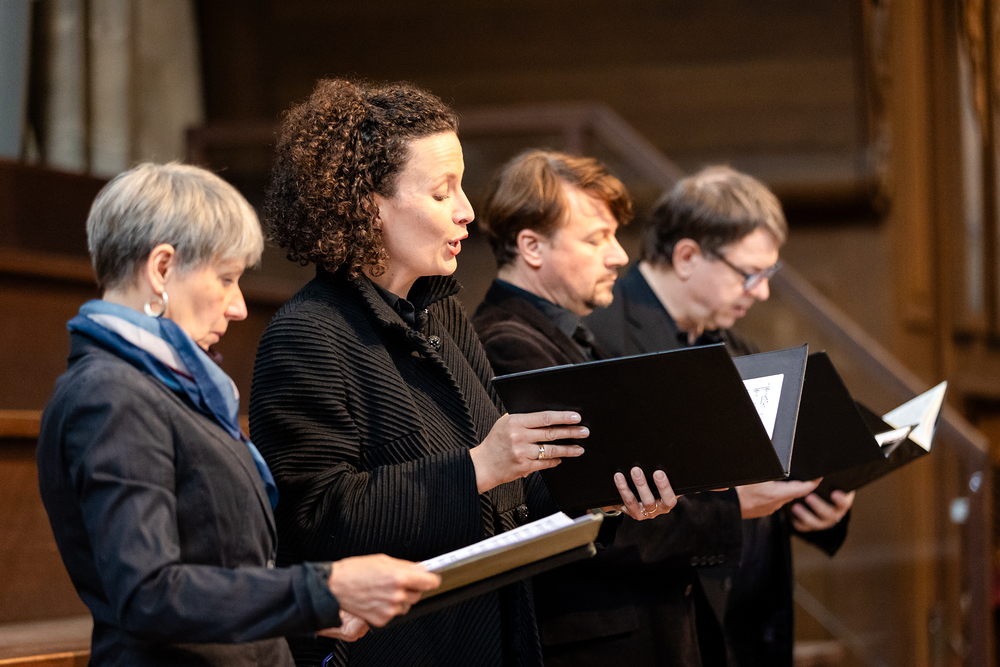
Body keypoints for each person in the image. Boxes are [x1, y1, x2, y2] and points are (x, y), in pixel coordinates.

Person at [250, 80, 672, 667]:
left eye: (462, 187)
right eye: (442, 191)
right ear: (370, 205)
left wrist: (609, 497)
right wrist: (477, 466)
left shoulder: (442, 315)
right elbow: (312, 522)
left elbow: (512, 495)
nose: (467, 210)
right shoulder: (306, 334)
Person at [36, 163, 441, 667]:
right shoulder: (111, 395)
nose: (238, 307)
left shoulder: (163, 384)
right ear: (161, 269)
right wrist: (323, 588)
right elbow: (149, 593)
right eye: (226, 279)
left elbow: (220, 565)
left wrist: (310, 609)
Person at [473, 150, 757, 667]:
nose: (618, 255)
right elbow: (585, 507)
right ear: (532, 246)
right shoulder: (507, 342)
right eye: (595, 238)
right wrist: (734, 505)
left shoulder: (563, 332)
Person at [584, 165, 856, 667]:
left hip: (747, 635)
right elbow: (605, 518)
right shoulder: (600, 338)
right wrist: (733, 504)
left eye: (767, 276)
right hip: (662, 634)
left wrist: (818, 505)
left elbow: (758, 473)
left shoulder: (733, 344)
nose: (761, 292)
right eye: (750, 274)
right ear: (687, 256)